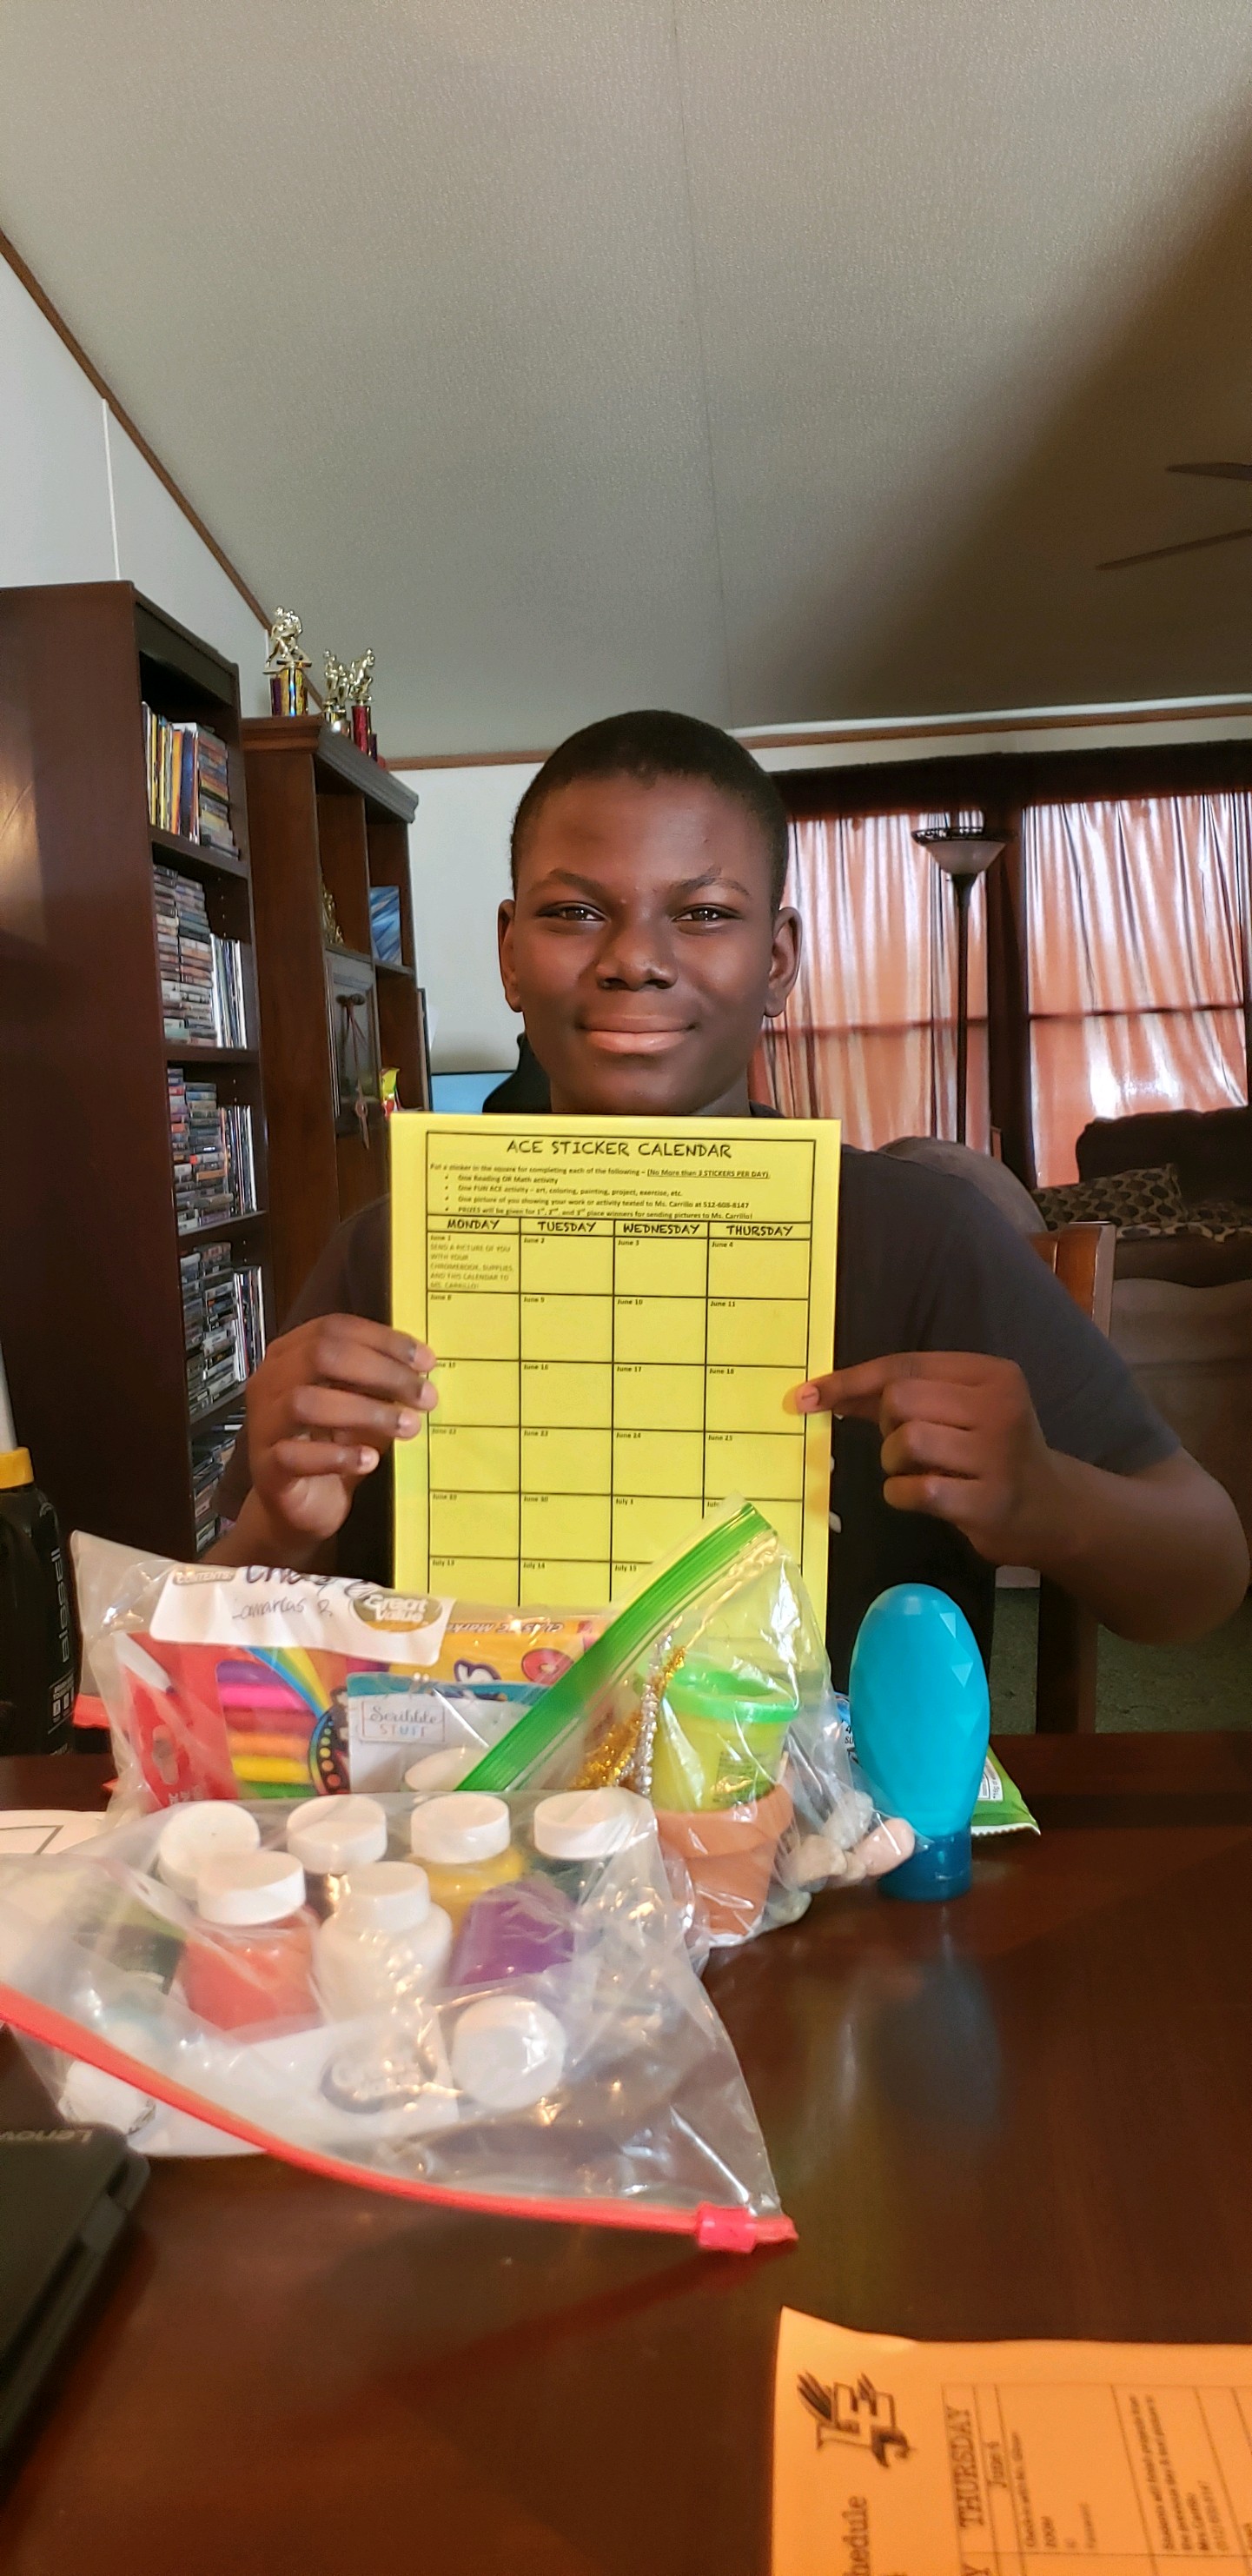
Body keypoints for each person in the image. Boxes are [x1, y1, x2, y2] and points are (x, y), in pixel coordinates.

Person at [211, 710, 1249, 1680]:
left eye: (704, 914)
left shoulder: (923, 1236)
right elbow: (204, 1673)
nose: (635, 960)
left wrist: (1048, 1498)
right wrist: (277, 1529)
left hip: (839, 1842)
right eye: (575, 912)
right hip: (483, 1842)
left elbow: (1202, 1580)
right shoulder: (385, 1253)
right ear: (510, 956)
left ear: (778, 962)